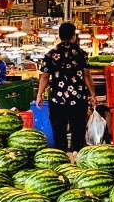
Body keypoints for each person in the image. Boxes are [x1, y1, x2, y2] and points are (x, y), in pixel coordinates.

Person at [38, 23, 96, 152]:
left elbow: (45, 76)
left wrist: (39, 94)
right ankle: (77, 154)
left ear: (59, 36)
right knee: (78, 128)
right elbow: (87, 75)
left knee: (59, 128)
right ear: (73, 36)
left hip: (57, 99)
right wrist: (92, 94)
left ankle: (61, 154)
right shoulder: (81, 53)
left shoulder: (51, 54)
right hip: (78, 97)